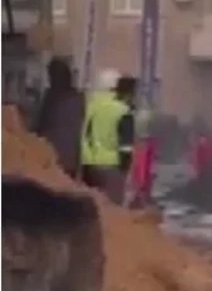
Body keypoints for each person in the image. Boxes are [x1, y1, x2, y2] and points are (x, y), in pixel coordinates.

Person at [81, 75, 137, 205]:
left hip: (88, 164)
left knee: (92, 206)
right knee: (112, 208)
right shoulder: (123, 111)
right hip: (112, 165)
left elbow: (85, 131)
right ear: (130, 93)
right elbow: (126, 147)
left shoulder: (93, 105)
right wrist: (125, 170)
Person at [33, 57, 86, 178]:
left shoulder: (51, 96)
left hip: (49, 155)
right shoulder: (79, 98)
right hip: (71, 157)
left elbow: (40, 123)